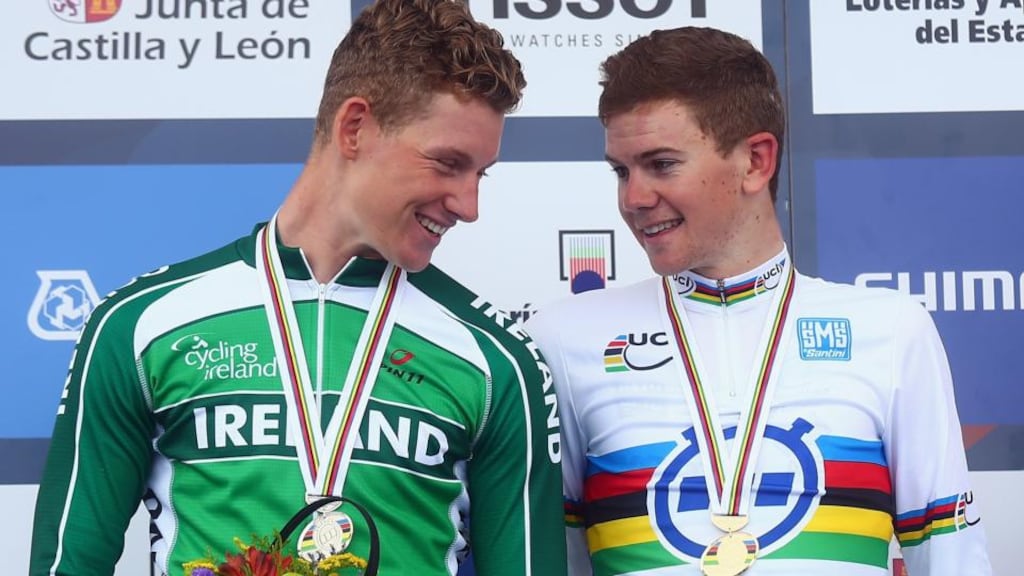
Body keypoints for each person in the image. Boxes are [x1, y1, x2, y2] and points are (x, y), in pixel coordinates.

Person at [29, 1, 566, 575]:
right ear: (354, 127)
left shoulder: (498, 358)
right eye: (447, 163)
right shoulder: (139, 325)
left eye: (480, 174)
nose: (469, 205)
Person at [525, 26, 991, 576]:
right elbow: (556, 560)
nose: (634, 198)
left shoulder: (891, 331)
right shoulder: (563, 338)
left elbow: (950, 559)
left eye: (662, 164)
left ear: (755, 161)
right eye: (621, 171)